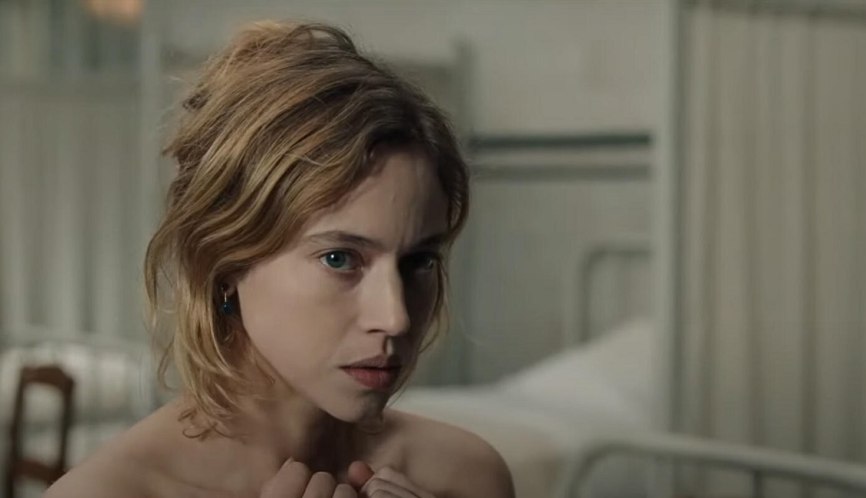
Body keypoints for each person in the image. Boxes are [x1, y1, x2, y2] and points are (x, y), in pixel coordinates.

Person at [45, 21, 514, 498]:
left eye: (419, 262)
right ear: (226, 262)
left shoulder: (466, 476)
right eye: (339, 258)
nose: (395, 318)